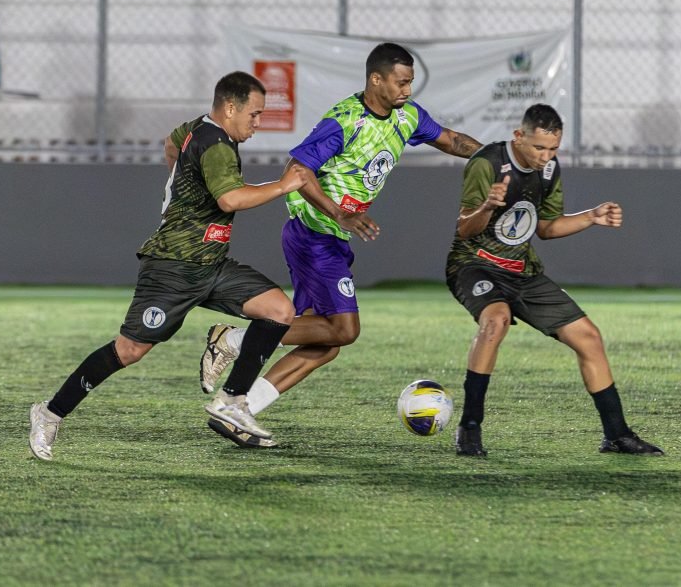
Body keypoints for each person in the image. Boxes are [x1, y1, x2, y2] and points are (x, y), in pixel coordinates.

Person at [191, 42, 483, 448]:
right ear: (375, 79)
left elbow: (450, 140)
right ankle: (233, 339)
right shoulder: (345, 120)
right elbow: (297, 169)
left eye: (411, 82)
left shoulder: (408, 116)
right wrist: (338, 213)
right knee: (345, 329)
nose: (407, 90)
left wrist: (493, 156)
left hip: (331, 237)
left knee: (324, 344)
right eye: (400, 82)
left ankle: (238, 409)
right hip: (314, 234)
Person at [29, 71, 312, 461]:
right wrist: (282, 186)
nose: (258, 124)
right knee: (128, 351)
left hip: (211, 264)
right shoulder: (216, 145)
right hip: (173, 267)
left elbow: (171, 144)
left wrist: (181, 185)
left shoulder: (198, 128)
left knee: (279, 310)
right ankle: (49, 412)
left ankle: (232, 400)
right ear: (230, 108)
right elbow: (230, 200)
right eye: (255, 115)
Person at [444, 103, 662, 457]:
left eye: (553, 149)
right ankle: (469, 428)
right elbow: (465, 229)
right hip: (474, 265)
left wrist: (590, 217)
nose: (546, 156)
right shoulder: (486, 163)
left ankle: (617, 435)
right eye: (539, 148)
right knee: (495, 322)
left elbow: (545, 228)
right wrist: (485, 207)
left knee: (589, 337)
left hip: (522, 271)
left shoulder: (548, 170)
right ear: (519, 136)